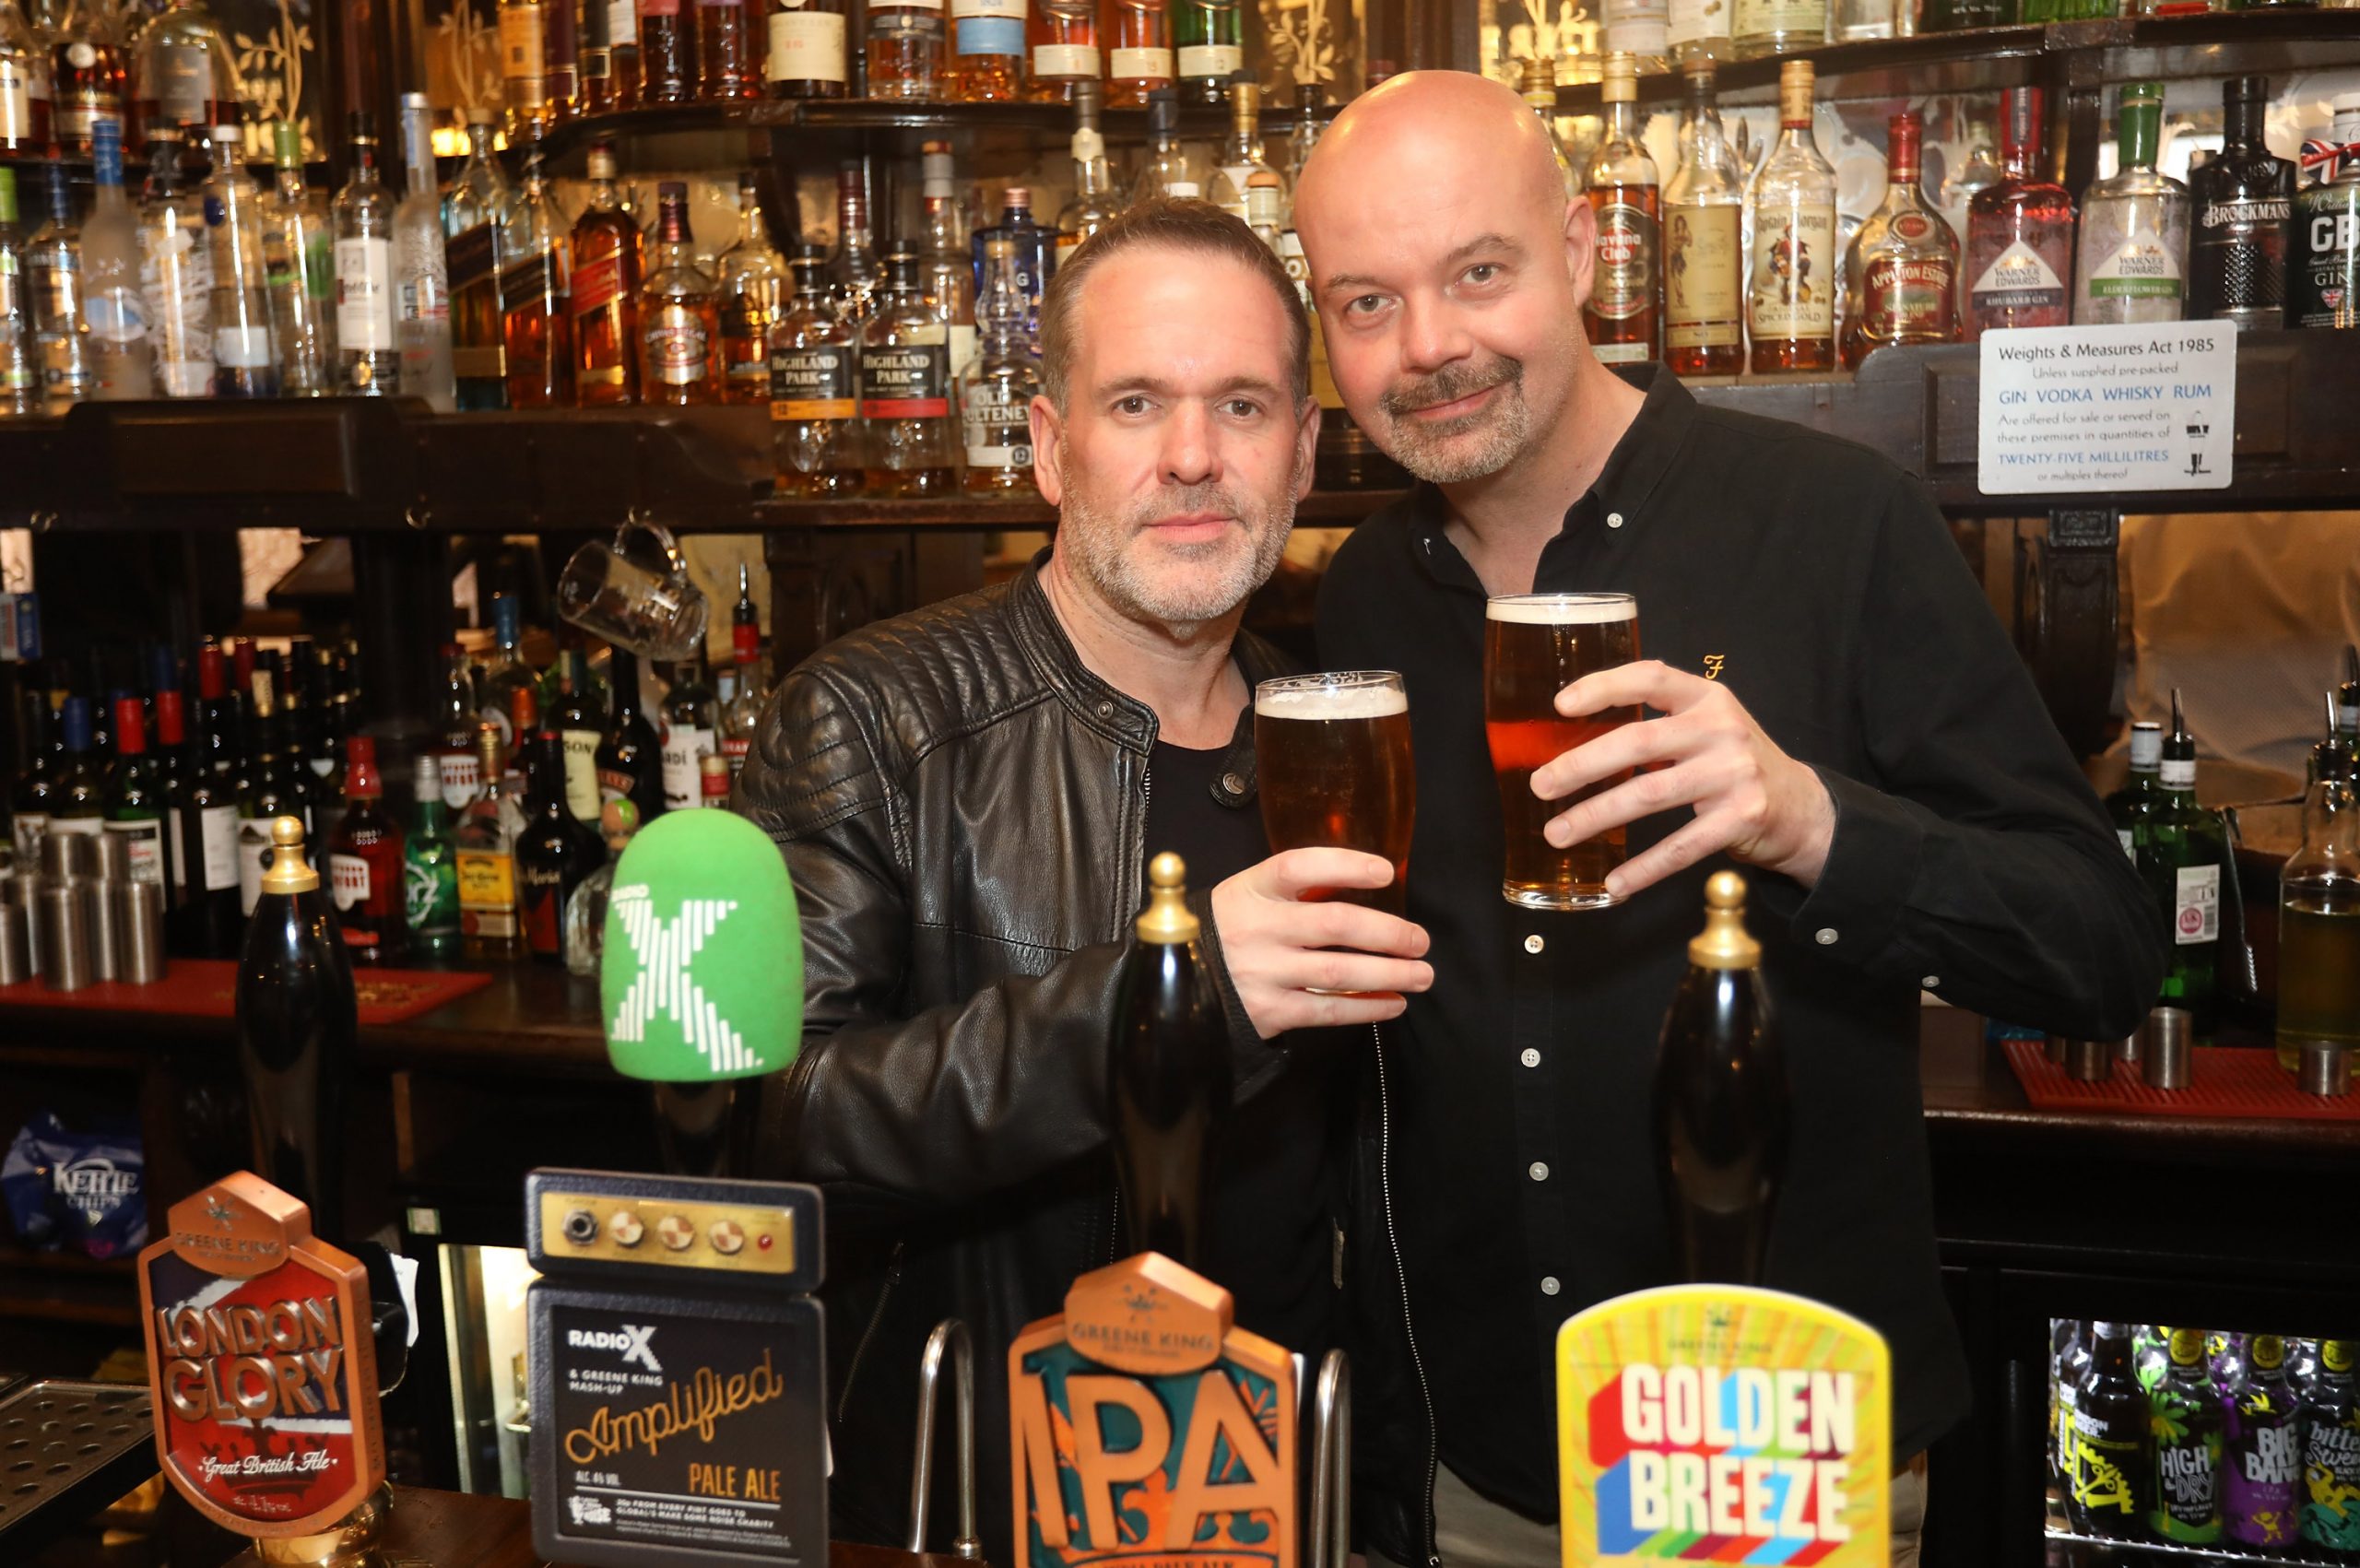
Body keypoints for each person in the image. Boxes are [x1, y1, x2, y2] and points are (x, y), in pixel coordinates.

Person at [1291, 72, 2163, 1568]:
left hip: (1770, 1449)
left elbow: (2100, 947)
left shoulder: (1835, 521)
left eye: (1478, 273)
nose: (1426, 345)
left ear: (1584, 251)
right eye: (1366, 303)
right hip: (1469, 1466)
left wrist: (1814, 820)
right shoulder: (1368, 593)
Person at [732, 199, 1432, 1565]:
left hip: (1299, 1493)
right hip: (988, 1502)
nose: (1193, 456)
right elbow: (779, 1124)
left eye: (1242, 406)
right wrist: (1172, 1002)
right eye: (1136, 403)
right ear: (1051, 447)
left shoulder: (1336, 734)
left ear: (1302, 452)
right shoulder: (874, 716)